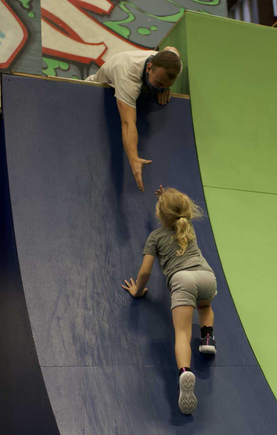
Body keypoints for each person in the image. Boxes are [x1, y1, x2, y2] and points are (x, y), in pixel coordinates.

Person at [121, 186, 217, 415]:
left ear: (159, 215)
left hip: (182, 281)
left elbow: (144, 272)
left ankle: (184, 371)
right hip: (207, 277)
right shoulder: (188, 227)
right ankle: (206, 338)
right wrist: (168, 195)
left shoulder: (155, 236)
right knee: (205, 306)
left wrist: (138, 290)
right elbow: (179, 208)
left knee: (182, 333)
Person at [86, 48, 182, 192]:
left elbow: (172, 50)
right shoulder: (127, 76)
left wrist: (163, 89)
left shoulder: (174, 65)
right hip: (93, 89)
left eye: (167, 85)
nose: (161, 87)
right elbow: (128, 123)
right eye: (159, 83)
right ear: (149, 67)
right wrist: (134, 158)